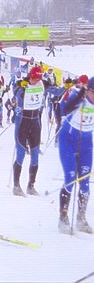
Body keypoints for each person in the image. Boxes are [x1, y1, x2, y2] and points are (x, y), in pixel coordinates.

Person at [57, 76, 94, 234]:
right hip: (68, 141)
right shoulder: (78, 95)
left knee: (85, 183)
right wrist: (79, 97)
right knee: (70, 179)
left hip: (86, 144)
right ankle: (63, 217)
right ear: (89, 90)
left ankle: (81, 218)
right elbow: (65, 108)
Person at [12, 66, 46, 196]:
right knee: (21, 153)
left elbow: (57, 91)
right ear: (30, 76)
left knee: (35, 154)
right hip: (23, 122)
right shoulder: (22, 85)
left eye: (38, 79)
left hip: (35, 121)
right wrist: (21, 87)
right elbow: (15, 92)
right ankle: (16, 185)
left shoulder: (43, 83)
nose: (35, 81)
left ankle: (31, 185)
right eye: (33, 78)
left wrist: (66, 88)